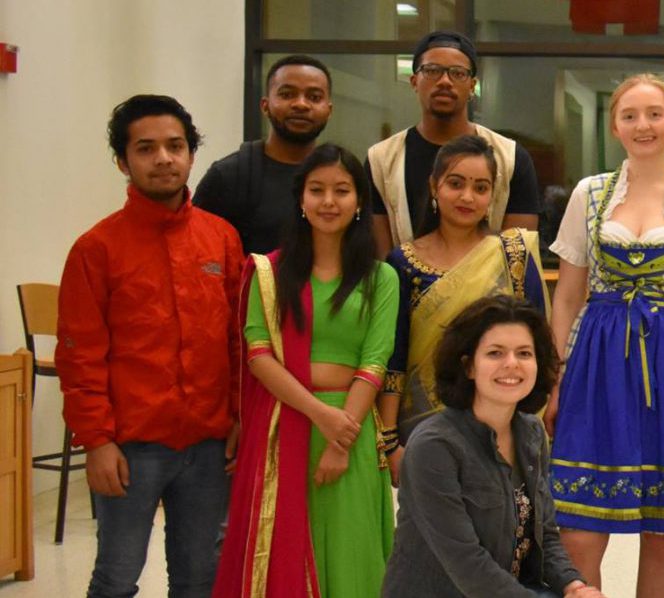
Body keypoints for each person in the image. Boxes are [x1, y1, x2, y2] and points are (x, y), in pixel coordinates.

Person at [547, 74, 664, 597]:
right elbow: (567, 296)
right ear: (615, 126)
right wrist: (554, 376)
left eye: (655, 114)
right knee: (580, 523)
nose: (643, 125)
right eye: (630, 114)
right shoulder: (589, 194)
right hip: (595, 360)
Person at [60, 94, 241, 598]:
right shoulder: (96, 249)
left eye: (175, 146)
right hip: (129, 448)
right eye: (146, 148)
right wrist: (96, 441)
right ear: (124, 161)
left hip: (208, 445)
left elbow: (236, 342)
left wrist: (238, 415)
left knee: (200, 578)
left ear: (190, 154)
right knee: (116, 577)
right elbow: (79, 357)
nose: (163, 158)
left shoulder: (221, 239)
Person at [215, 144, 400, 597]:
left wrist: (342, 437)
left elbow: (374, 364)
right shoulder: (268, 273)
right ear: (300, 199)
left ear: (359, 202)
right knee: (284, 553)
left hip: (351, 433)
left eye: (342, 190)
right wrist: (323, 416)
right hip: (284, 426)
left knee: (351, 553)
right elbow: (259, 356)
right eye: (317, 190)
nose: (329, 202)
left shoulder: (381, 278)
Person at [382, 296, 604, 598]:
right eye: (495, 353)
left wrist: (575, 586)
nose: (511, 363)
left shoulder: (532, 432)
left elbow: (546, 537)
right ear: (468, 366)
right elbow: (468, 565)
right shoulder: (433, 446)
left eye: (524, 353)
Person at [382, 134, 549, 449]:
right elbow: (395, 356)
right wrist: (390, 441)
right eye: (456, 184)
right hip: (421, 430)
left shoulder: (513, 255)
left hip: (503, 426)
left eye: (480, 188)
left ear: (492, 195)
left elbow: (536, 347)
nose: (468, 197)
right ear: (435, 187)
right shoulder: (403, 262)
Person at [368, 30, 541, 256]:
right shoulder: (381, 159)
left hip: (491, 289)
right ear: (414, 81)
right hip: (404, 286)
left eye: (458, 73)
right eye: (432, 71)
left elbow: (518, 261)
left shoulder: (510, 157)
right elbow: (381, 264)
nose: (444, 82)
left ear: (472, 86)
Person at [195, 54, 334, 254]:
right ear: (265, 106)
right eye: (287, 94)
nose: (301, 104)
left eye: (314, 97)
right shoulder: (228, 176)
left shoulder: (342, 177)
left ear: (329, 110)